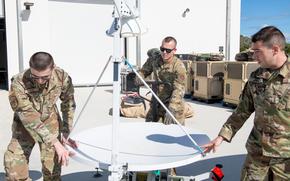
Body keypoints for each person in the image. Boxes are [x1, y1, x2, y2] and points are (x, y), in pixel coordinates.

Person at [202, 26, 290, 180]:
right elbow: (242, 111)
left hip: (285, 160)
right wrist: (221, 136)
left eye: (258, 51)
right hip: (257, 155)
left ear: (275, 49)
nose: (254, 56)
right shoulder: (257, 77)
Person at [4, 52, 77, 181]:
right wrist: (55, 142)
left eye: (45, 77)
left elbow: (68, 103)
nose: (40, 81)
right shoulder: (18, 82)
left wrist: (66, 131)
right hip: (25, 126)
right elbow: (28, 116)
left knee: (52, 172)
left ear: (53, 67)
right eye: (35, 77)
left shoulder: (62, 77)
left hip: (50, 122)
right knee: (13, 168)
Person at [137, 36, 187, 125]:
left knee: (172, 134)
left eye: (168, 50)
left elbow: (179, 89)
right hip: (157, 102)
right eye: (162, 49)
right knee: (148, 127)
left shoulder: (179, 67)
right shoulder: (155, 59)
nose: (164, 52)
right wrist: (140, 75)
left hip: (172, 104)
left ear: (174, 50)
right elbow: (144, 70)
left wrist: (172, 108)